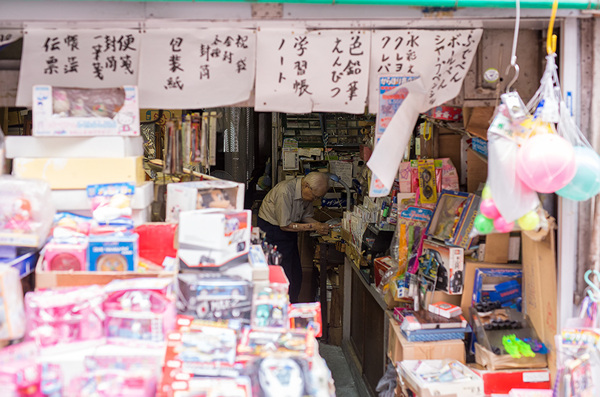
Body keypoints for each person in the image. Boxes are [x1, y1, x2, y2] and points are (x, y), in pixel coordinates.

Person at [257, 172, 331, 303]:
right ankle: (281, 305)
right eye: (315, 196)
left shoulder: (307, 194)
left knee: (296, 273)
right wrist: (313, 227)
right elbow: (284, 225)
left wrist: (318, 224)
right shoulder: (285, 191)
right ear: (306, 186)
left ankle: (292, 303)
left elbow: (305, 216)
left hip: (289, 230)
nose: (314, 200)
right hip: (272, 230)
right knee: (283, 273)